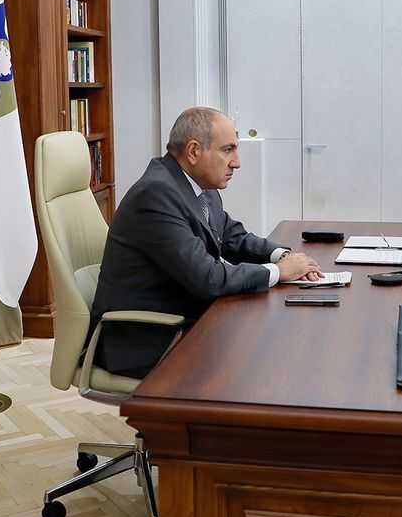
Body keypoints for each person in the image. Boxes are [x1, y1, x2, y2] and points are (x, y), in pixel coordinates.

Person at [87, 106, 322, 378]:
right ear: (194, 151)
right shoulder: (156, 194)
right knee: (266, 358)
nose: (237, 162)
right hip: (145, 338)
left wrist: (282, 255)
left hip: (184, 317)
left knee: (272, 340)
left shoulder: (198, 186)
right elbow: (207, 277)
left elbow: (233, 237)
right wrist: (280, 272)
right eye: (228, 150)